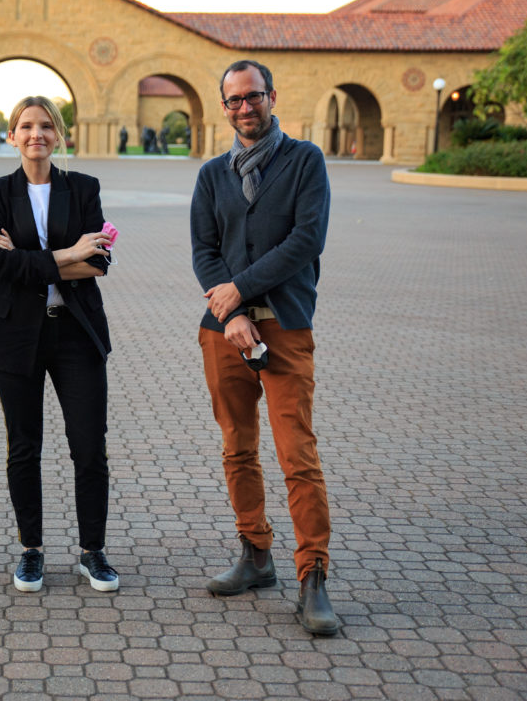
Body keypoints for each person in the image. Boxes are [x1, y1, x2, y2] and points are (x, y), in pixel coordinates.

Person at [190, 60, 338, 635]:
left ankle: (313, 578)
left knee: (296, 454)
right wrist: (231, 313)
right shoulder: (211, 174)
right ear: (222, 107)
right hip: (224, 332)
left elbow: (306, 240)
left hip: (284, 328)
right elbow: (204, 250)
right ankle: (255, 555)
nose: (244, 108)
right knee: (237, 448)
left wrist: (241, 294)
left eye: (253, 97)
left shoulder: (305, 162)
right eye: (233, 101)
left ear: (272, 97)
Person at [0, 95, 119, 593]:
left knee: (89, 447)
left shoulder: (83, 188)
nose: (35, 134)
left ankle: (92, 551)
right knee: (24, 448)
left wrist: (30, 259)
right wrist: (66, 254)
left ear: (58, 134)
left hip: (76, 332)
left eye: (44, 126)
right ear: (12, 135)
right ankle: (31, 550)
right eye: (25, 126)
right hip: (16, 336)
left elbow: (98, 264)